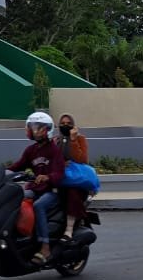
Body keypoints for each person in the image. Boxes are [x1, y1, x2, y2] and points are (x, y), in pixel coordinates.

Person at [8, 111, 64, 264]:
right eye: (33, 127)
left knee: (39, 206)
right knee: (14, 198)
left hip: (52, 191)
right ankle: (18, 238)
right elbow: (17, 165)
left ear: (48, 129)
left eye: (39, 128)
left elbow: (59, 173)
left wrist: (47, 177)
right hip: (36, 188)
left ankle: (45, 248)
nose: (36, 131)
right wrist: (3, 172)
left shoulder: (54, 150)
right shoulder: (31, 150)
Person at [55, 113, 91, 241]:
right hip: (59, 178)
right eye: (62, 123)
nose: (65, 125)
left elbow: (82, 159)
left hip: (76, 179)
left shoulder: (80, 139)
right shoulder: (56, 140)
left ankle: (69, 229)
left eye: (68, 123)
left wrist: (74, 139)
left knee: (72, 193)